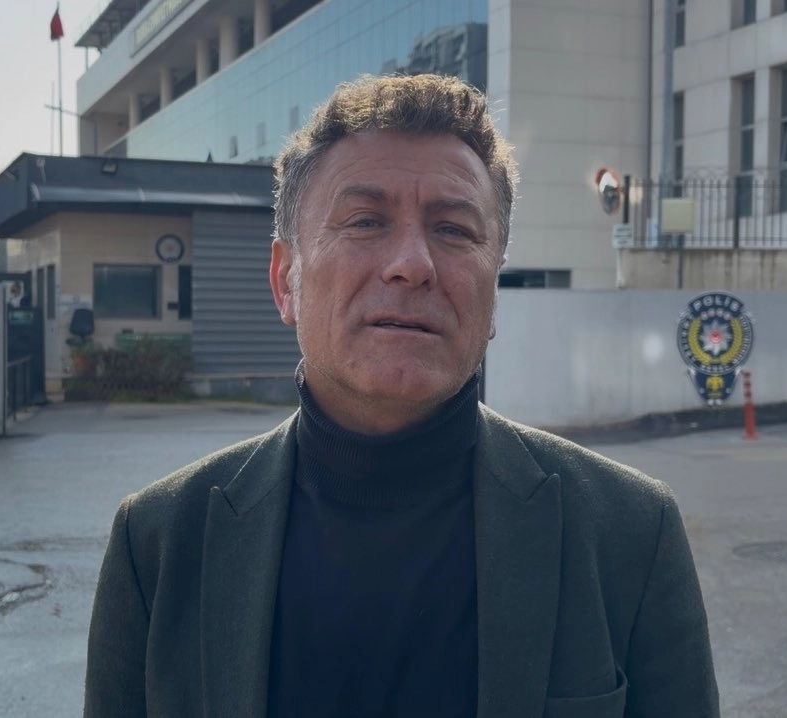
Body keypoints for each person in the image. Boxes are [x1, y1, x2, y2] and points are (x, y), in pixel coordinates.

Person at [84, 74, 719, 717]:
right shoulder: (159, 542)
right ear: (285, 279)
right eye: (365, 221)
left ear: (493, 289)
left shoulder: (629, 533)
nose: (413, 264)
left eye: (454, 230)